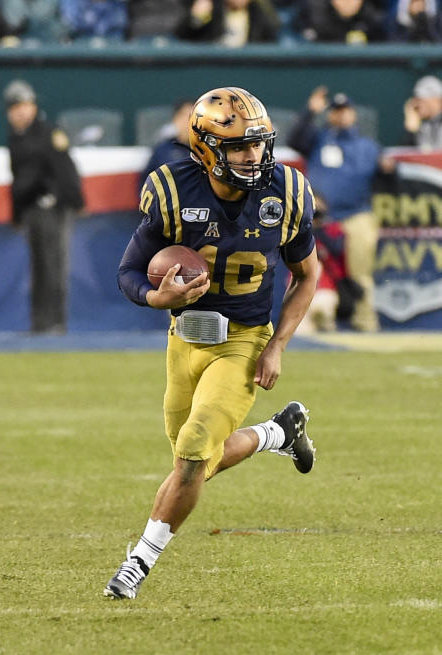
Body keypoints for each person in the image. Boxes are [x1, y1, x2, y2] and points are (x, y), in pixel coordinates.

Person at [106, 86, 320, 600]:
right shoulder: (173, 190)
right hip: (185, 339)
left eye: (259, 145)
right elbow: (130, 271)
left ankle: (139, 561)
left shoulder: (285, 193)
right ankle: (277, 434)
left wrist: (277, 345)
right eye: (240, 148)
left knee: (194, 453)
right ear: (206, 149)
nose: (254, 157)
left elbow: (307, 276)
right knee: (196, 458)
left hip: (243, 341)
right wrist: (158, 299)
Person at [288, 87, 389, 332]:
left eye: (345, 111)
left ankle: (365, 321)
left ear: (353, 114)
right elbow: (294, 139)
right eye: (336, 111)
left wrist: (391, 170)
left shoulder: (367, 146)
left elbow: (388, 180)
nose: (341, 116)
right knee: (310, 272)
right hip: (321, 220)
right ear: (330, 114)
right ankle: (310, 323)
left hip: (356, 215)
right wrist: (310, 111)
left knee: (360, 272)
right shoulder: (320, 140)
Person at [5, 80, 84, 334]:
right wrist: (17, 213)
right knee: (38, 268)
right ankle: (38, 323)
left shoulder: (48, 133)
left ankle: (56, 323)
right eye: (15, 107)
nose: (21, 111)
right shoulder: (15, 138)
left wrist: (75, 201)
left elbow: (65, 169)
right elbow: (18, 180)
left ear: (33, 106)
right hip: (31, 210)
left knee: (54, 266)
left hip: (52, 208)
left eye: (25, 105)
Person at [141, 98, 194, 181]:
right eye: (184, 116)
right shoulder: (163, 150)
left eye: (192, 116)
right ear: (175, 119)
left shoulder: (207, 150)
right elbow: (147, 181)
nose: (188, 121)